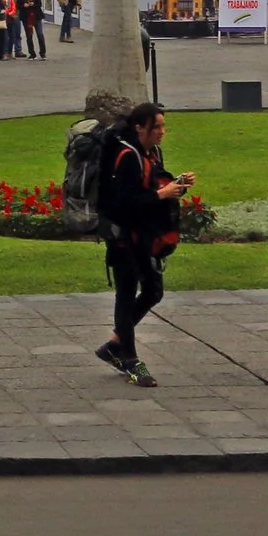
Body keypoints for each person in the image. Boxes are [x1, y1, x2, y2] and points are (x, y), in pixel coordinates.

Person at [95, 101, 189, 388]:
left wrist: (175, 186)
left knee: (152, 291)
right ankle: (130, 360)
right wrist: (163, 195)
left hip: (145, 237)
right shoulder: (126, 156)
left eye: (163, 126)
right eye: (156, 126)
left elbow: (150, 187)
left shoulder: (150, 152)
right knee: (126, 296)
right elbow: (124, 204)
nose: (162, 132)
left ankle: (114, 345)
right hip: (124, 239)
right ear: (140, 128)